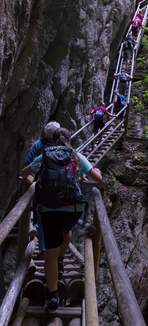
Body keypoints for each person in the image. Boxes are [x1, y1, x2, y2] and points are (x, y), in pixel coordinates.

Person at [20, 127, 103, 313]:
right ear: (69, 139)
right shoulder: (76, 156)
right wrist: (97, 170)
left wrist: (34, 179)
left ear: (53, 139)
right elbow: (97, 178)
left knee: (50, 252)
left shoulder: (45, 155)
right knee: (66, 232)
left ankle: (53, 296)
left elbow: (24, 173)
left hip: (49, 210)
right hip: (73, 210)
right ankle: (61, 259)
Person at [24, 121, 60, 259]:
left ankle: (43, 248)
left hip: (41, 186)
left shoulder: (39, 145)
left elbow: (27, 161)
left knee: (40, 218)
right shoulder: (61, 146)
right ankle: (55, 249)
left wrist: (35, 170)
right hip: (58, 188)